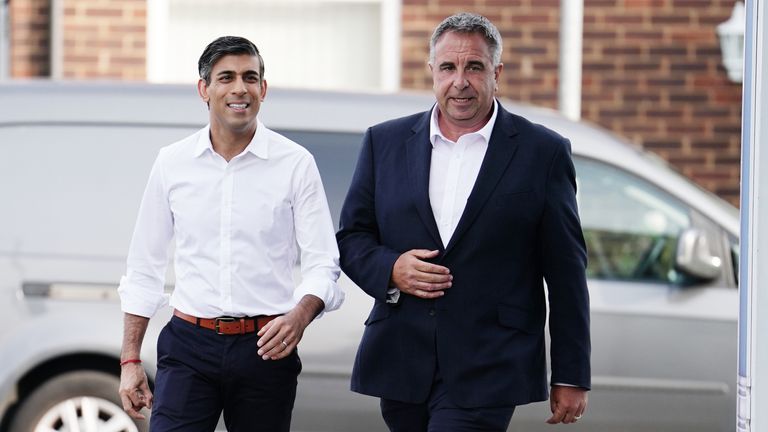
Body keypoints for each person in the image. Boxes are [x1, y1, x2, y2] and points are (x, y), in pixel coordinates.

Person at [336, 12, 590, 431]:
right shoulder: (384, 142)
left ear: (497, 74)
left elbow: (566, 271)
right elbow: (351, 237)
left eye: (474, 67)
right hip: (401, 360)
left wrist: (571, 372)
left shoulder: (541, 152)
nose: (461, 81)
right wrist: (392, 269)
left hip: (489, 364)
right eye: (449, 68)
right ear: (432, 71)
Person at [117, 36, 343, 432]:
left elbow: (324, 263)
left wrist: (299, 316)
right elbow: (143, 267)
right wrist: (130, 358)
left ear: (263, 89)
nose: (240, 88)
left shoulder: (295, 164)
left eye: (250, 77)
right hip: (188, 344)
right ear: (204, 89)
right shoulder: (172, 163)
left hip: (266, 347)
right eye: (226, 77)